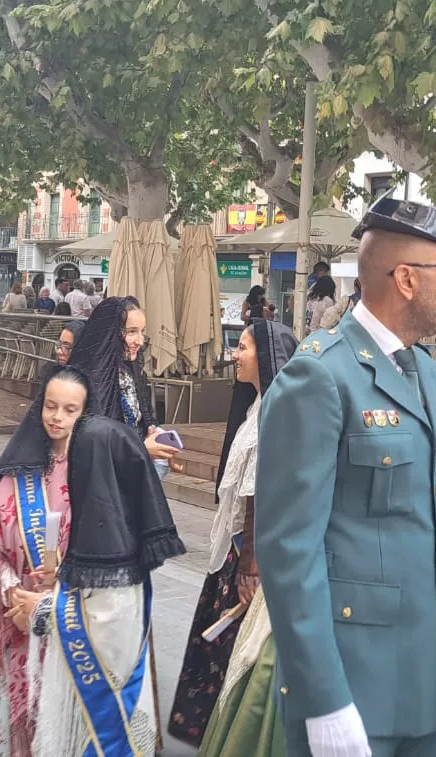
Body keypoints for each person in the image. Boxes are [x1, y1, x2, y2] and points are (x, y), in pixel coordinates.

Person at [256, 198, 436, 757]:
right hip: (353, 682)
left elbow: (429, 531)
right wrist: (322, 696)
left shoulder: (423, 370)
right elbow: (289, 550)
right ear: (405, 278)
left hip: (422, 678)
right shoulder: (320, 375)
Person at [23, 410, 187, 757]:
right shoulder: (118, 537)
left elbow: (101, 628)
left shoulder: (111, 556)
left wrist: (40, 608)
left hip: (100, 718)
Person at [171, 319, 300, 748]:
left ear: (264, 357)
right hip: (232, 550)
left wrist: (249, 566)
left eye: (242, 347)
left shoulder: (275, 414)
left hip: (248, 555)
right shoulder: (254, 407)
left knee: (232, 649)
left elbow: (261, 493)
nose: (234, 354)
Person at [0, 366, 89, 756]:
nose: (57, 417)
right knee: (17, 715)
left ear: (85, 414)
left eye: (70, 410)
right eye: (50, 406)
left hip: (70, 617)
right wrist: (11, 587)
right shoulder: (13, 477)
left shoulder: (94, 475)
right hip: (16, 617)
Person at [69, 296, 180, 468]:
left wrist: (155, 434)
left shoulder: (132, 371)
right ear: (111, 333)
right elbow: (91, 443)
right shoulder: (87, 380)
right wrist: (142, 449)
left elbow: (142, 418)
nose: (140, 341)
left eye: (142, 331)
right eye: (131, 332)